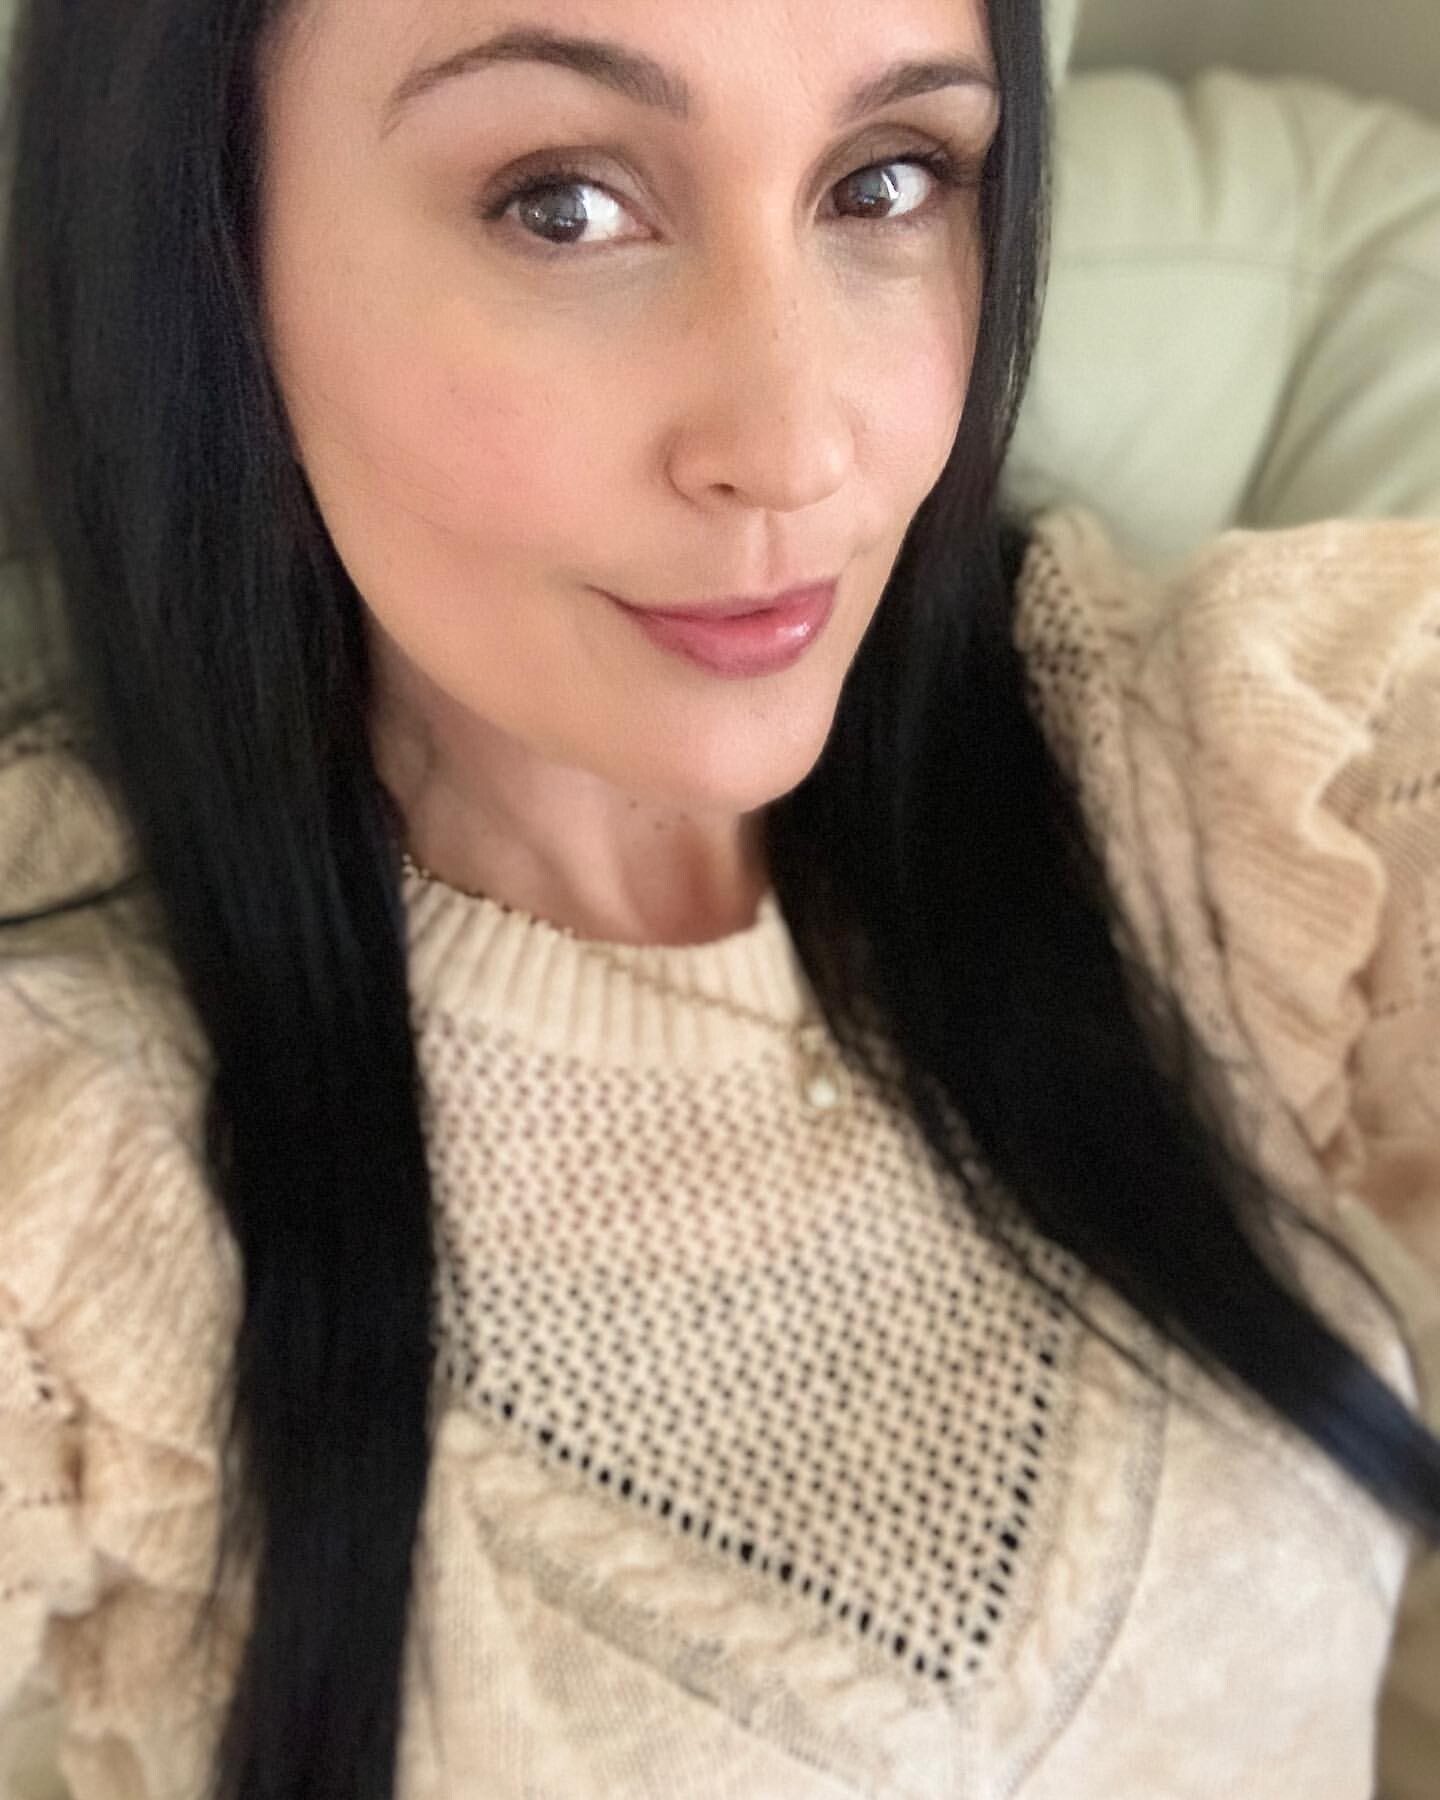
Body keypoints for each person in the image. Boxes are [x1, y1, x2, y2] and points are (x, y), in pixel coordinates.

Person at [0, 0, 1436, 1796]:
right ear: (204, 248)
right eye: (562, 204)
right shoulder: (69, 1138)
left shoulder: (1246, 789)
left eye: (888, 181)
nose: (797, 445)